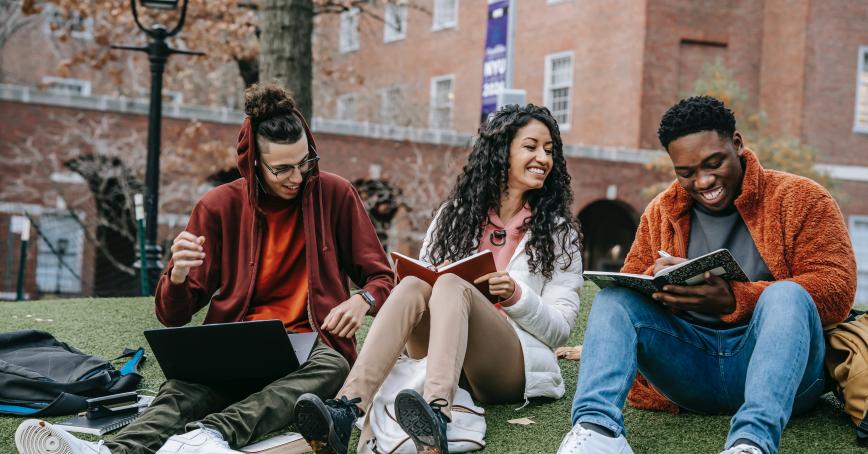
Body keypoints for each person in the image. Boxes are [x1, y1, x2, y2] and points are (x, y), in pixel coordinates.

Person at [15, 82, 394, 454]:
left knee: (333, 366)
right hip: (235, 345)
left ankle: (210, 436)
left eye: (305, 162)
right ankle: (112, 451)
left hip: (312, 344)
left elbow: (382, 278)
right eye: (282, 169)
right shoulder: (217, 206)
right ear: (254, 164)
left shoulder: (337, 194)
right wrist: (177, 275)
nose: (298, 177)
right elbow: (172, 315)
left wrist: (362, 299)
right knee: (182, 389)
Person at [558, 95, 857, 454]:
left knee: (787, 295)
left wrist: (736, 299)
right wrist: (659, 279)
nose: (703, 181)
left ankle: (751, 442)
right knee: (614, 299)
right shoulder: (661, 211)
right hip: (690, 369)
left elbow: (837, 289)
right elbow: (633, 282)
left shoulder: (802, 198)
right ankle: (597, 431)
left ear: (737, 144)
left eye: (714, 164)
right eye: (686, 173)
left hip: (782, 375)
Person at [292, 104, 584, 454]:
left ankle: (437, 414)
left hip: (508, 364)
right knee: (416, 284)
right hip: (441, 354)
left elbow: (561, 327)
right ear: (501, 152)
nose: (543, 158)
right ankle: (346, 408)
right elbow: (425, 283)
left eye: (549, 150)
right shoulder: (453, 215)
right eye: (531, 146)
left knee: (450, 284)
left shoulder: (557, 232)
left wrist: (516, 295)